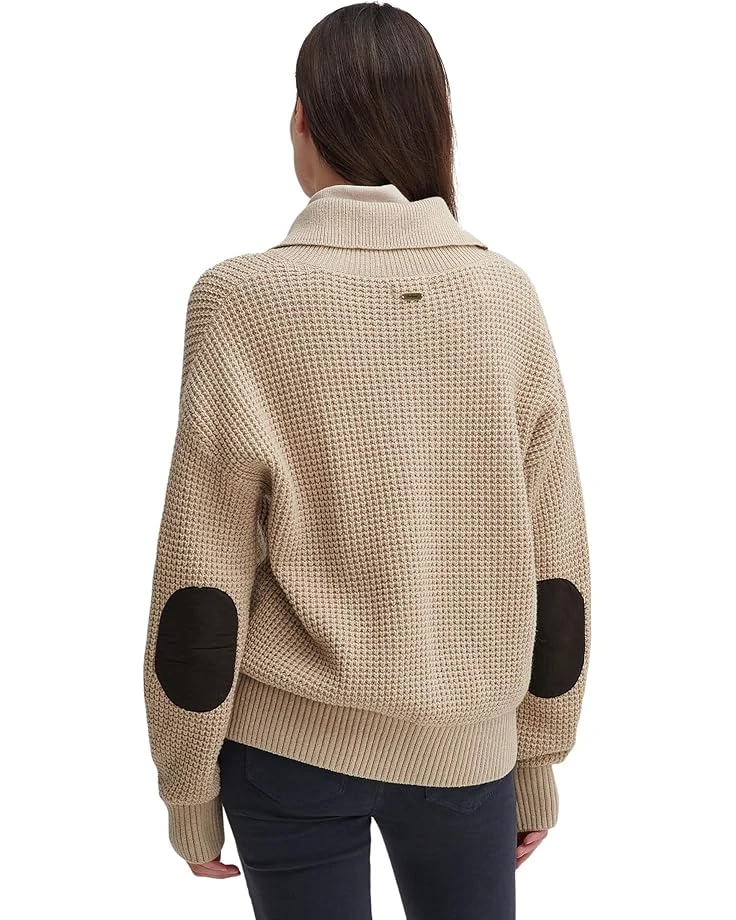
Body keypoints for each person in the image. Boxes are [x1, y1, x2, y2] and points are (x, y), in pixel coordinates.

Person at [142, 3, 591, 917]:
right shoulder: (503, 295)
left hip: (285, 750)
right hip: (468, 748)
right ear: (437, 124)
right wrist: (537, 756)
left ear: (301, 119)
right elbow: (557, 561)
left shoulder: (241, 299)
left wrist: (186, 783)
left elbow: (200, 573)